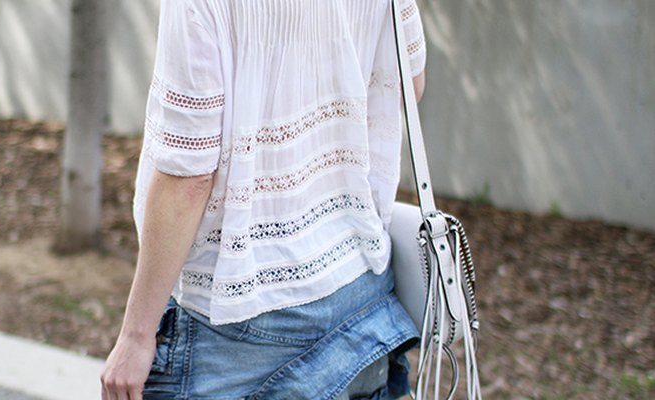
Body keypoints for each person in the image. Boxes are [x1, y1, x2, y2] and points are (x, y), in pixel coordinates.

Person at [101, 0, 427, 398]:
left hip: (238, 322)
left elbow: (189, 177)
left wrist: (136, 336)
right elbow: (410, 86)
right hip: (356, 282)